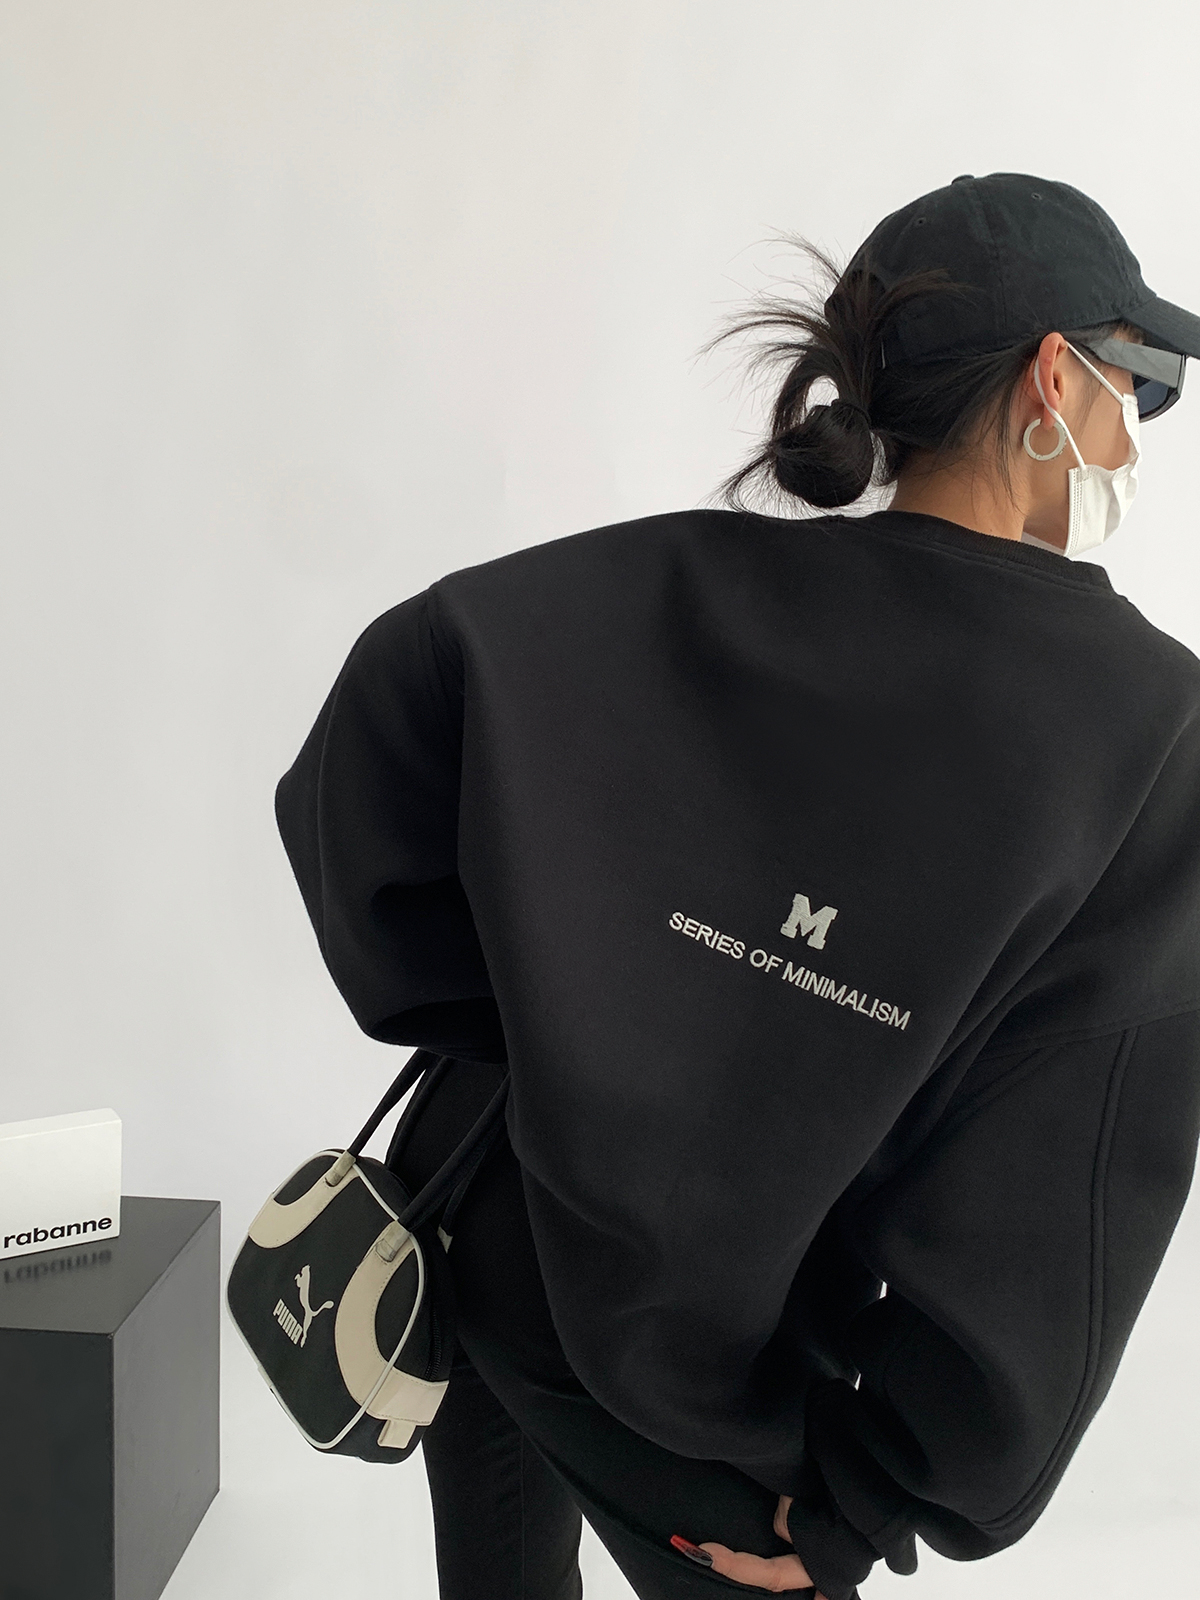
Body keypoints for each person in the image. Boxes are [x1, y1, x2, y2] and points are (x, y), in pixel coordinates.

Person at [272, 172, 1200, 1600]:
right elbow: (1064, 1178)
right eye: (1136, 383)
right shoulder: (1149, 732)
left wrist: (520, 1017)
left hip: (475, 1201)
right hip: (692, 1356)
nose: (1136, 433)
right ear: (1052, 378)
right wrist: (874, 1494)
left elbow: (393, 709)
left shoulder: (682, 580)